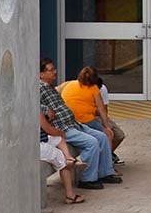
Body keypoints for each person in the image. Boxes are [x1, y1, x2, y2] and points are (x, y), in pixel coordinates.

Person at [40, 58, 120, 190]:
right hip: (63, 127)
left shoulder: (53, 86)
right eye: (51, 70)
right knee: (92, 143)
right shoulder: (40, 87)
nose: (55, 71)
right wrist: (45, 109)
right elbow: (30, 103)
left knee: (102, 137)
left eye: (54, 69)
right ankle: (88, 179)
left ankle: (105, 172)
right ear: (41, 74)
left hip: (74, 123)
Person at [40, 107, 84, 205]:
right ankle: (70, 196)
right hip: (37, 145)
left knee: (59, 139)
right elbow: (47, 129)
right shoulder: (35, 109)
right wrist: (61, 132)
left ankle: (70, 158)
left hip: (41, 139)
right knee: (61, 158)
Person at [93, 72, 126, 165]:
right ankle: (105, 160)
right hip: (87, 117)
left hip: (99, 115)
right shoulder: (81, 90)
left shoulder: (102, 88)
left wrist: (106, 124)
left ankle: (109, 154)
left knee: (119, 135)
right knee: (107, 135)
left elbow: (104, 110)